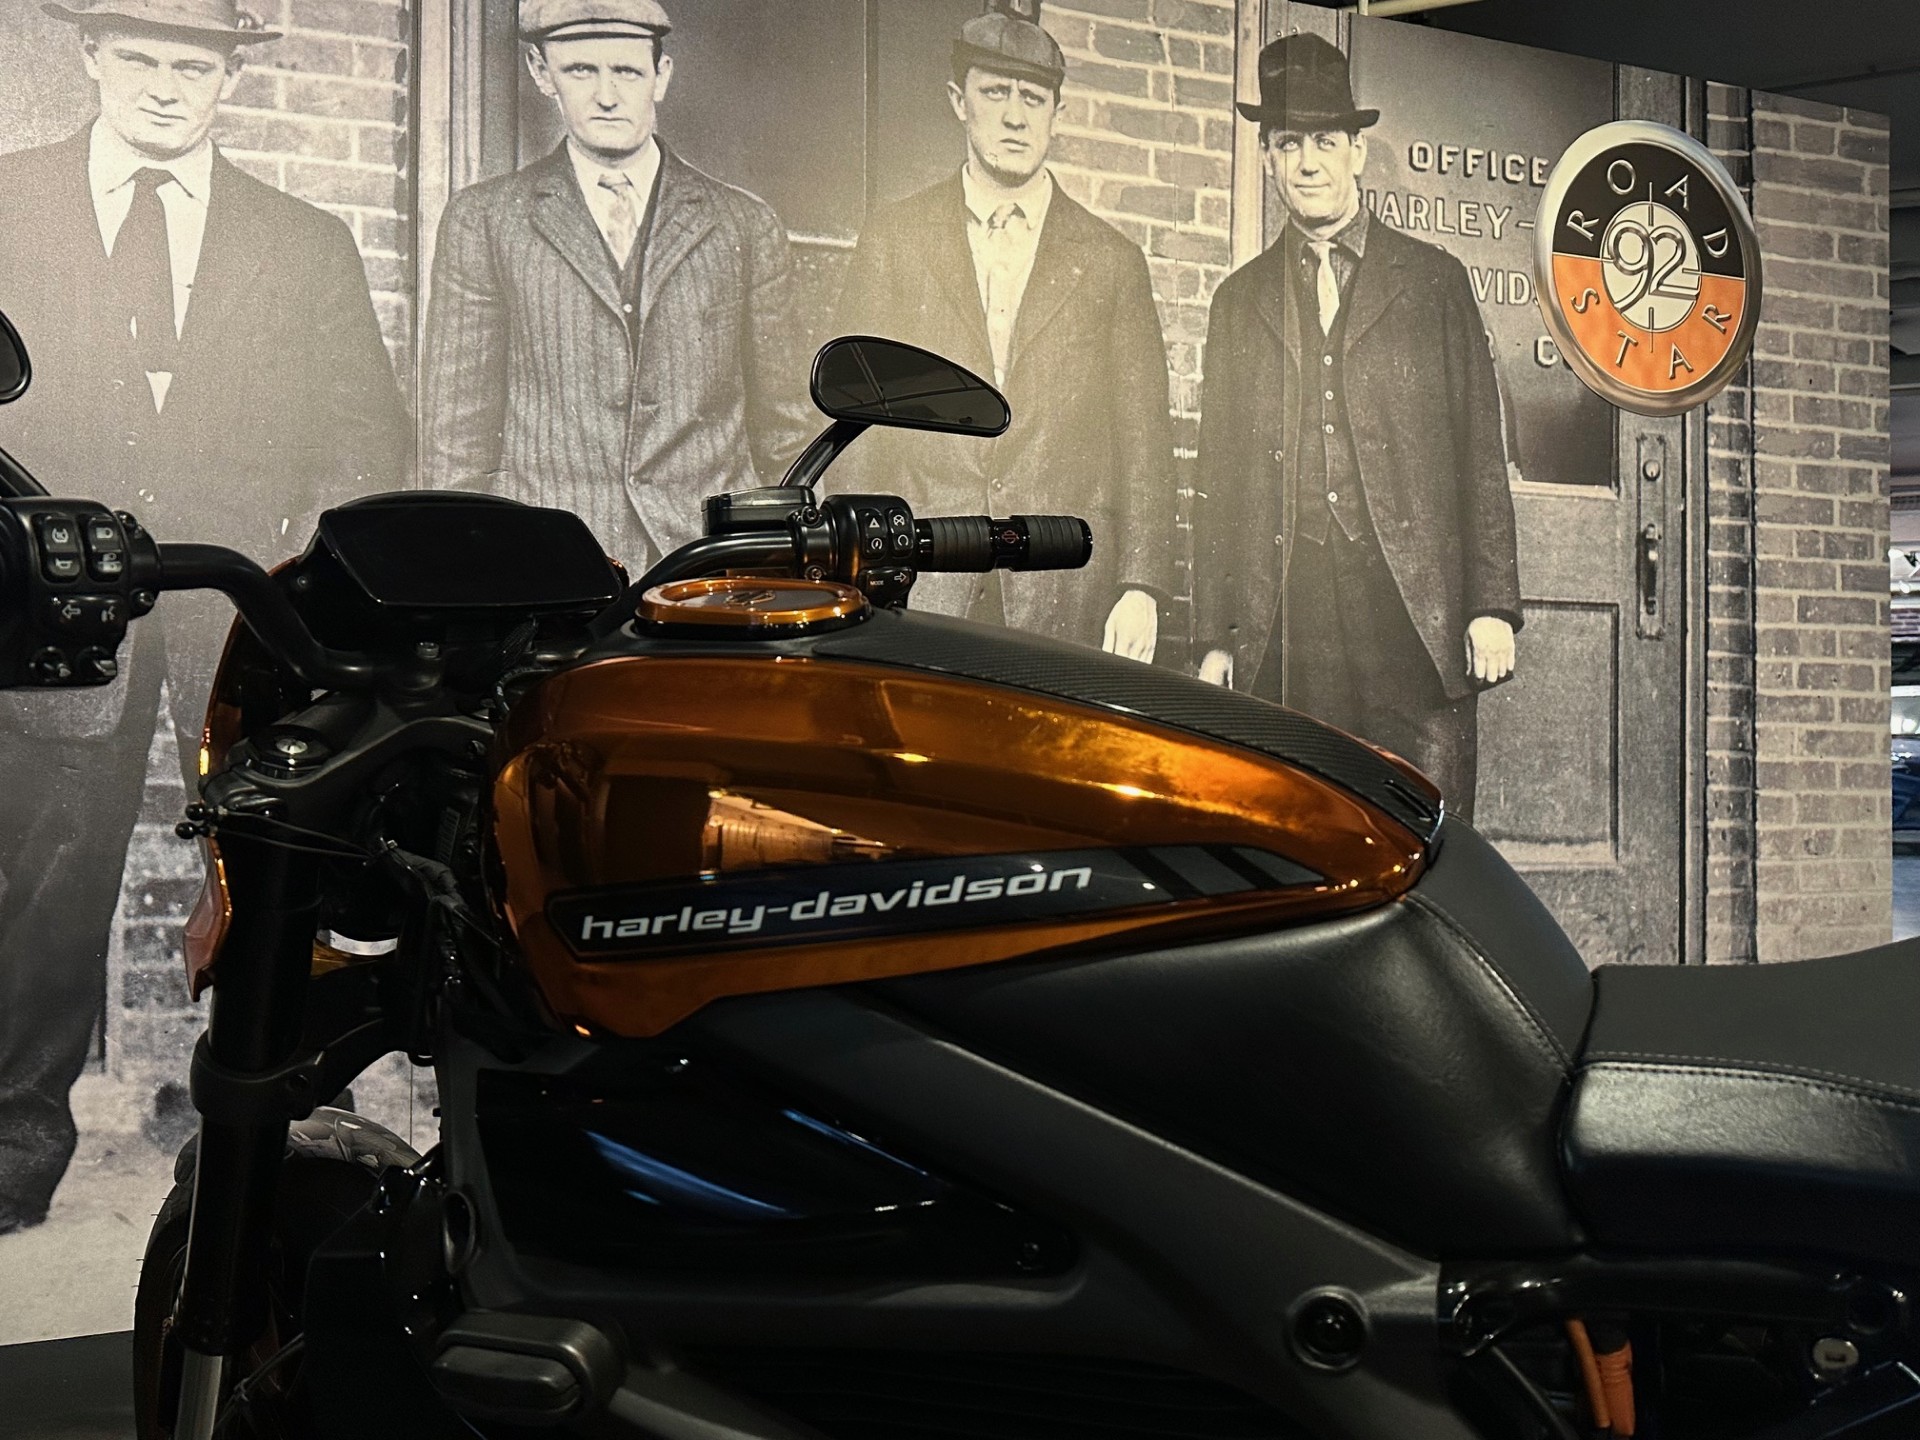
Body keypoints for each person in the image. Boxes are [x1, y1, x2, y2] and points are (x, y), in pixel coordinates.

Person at [0, 0, 409, 1232]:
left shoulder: (304, 241)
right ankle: (17, 1141)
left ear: (229, 77)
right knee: (45, 871)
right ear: (91, 57)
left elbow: (363, 433)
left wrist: (302, 587)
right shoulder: (11, 203)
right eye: (140, 58)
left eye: (195, 64)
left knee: (275, 857)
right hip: (59, 601)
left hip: (239, 602)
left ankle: (273, 1115)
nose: (166, 87)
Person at [1191, 32, 1520, 818]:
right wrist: (1216, 637)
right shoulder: (1239, 302)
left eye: (1325, 142)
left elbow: (1480, 451)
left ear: (1358, 153)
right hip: (1290, 618)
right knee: (1304, 819)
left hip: (1413, 615)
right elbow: (1218, 481)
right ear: (1267, 158)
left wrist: (1492, 605)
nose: (1307, 163)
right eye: (1288, 143)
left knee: (1425, 826)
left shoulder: (1434, 282)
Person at [420, 0, 814, 571]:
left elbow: (789, 436)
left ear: (662, 75)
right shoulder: (484, 220)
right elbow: (456, 440)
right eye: (582, 70)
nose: (607, 95)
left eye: (627, 71)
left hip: (709, 568)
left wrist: (791, 573)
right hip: (548, 565)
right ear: (541, 73)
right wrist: (466, 578)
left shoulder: (745, 226)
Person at [835, 1, 1174, 658]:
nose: (1016, 116)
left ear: (1057, 114)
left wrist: (1141, 587)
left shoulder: (1111, 261)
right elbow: (858, 427)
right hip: (922, 581)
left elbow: (1144, 441)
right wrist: (860, 570)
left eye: (1034, 98)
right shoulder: (894, 240)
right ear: (958, 101)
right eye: (995, 93)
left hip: (1061, 587)